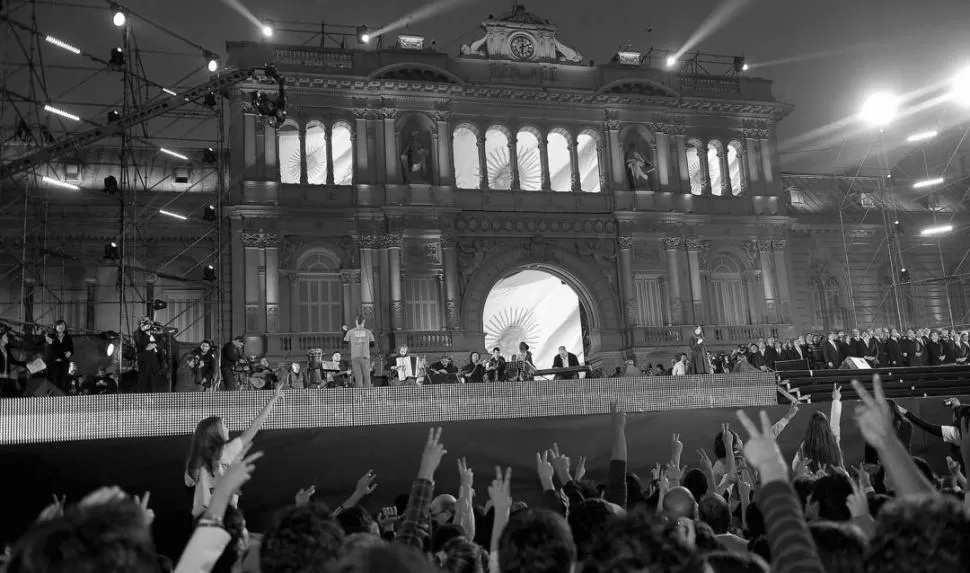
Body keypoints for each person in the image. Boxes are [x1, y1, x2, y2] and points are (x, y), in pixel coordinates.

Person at [184, 384, 285, 517]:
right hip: (214, 517)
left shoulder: (212, 455)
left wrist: (273, 399)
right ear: (215, 433)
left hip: (216, 518)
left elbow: (189, 482)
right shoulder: (218, 454)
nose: (227, 428)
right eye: (224, 424)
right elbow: (256, 425)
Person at [133, 317, 165, 393]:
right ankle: (140, 396)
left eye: (149, 322)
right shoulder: (138, 333)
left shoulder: (153, 333)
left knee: (155, 379)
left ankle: (154, 396)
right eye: (146, 322)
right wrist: (146, 333)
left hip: (155, 358)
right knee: (143, 379)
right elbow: (142, 344)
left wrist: (155, 343)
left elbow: (161, 343)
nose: (149, 324)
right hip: (145, 358)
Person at [344, 318, 375, 388]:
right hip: (365, 356)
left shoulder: (350, 331)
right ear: (364, 322)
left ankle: (359, 395)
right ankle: (367, 395)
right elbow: (372, 345)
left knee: (358, 377)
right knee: (367, 376)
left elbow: (345, 342)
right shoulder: (368, 332)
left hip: (355, 357)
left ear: (356, 322)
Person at [45, 319, 73, 392]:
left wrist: (70, 352)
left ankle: (60, 397)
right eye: (59, 325)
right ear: (55, 327)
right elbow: (37, 342)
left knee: (62, 382)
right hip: (52, 362)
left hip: (64, 363)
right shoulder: (50, 336)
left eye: (63, 325)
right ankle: (50, 397)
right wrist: (42, 335)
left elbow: (72, 349)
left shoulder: (68, 337)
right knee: (52, 381)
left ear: (65, 327)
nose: (61, 326)